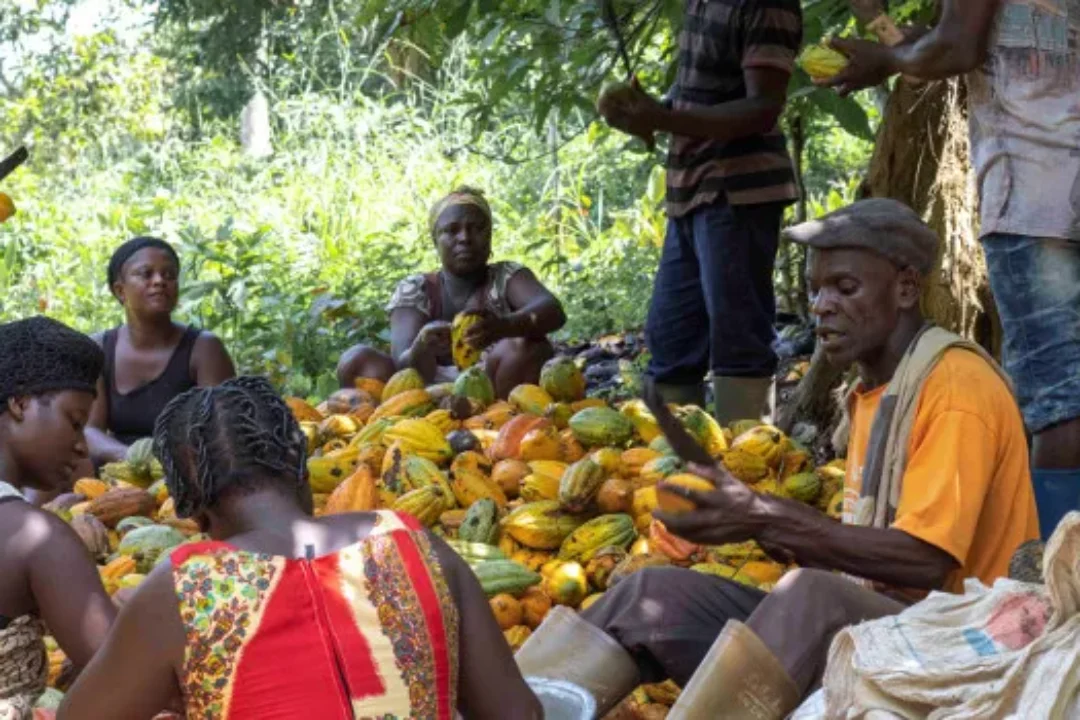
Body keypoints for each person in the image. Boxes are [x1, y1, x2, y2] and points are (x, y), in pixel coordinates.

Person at [516, 200, 1040, 718]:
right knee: (646, 594)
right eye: (814, 290)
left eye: (845, 288)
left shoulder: (954, 386)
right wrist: (761, 525)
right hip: (885, 627)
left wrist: (770, 516)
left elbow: (925, 560)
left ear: (905, 287)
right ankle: (514, 711)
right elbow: (865, 560)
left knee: (812, 594)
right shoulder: (876, 392)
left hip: (960, 641)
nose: (821, 306)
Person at [59, 376, 541, 720]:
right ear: (299, 458)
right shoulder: (414, 542)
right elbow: (517, 712)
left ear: (188, 507)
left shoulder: (185, 589)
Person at [820, 1, 1080, 540]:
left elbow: (955, 48)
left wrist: (884, 56)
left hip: (1036, 191)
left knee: (1062, 406)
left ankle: (1062, 597)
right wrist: (901, 38)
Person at [594, 0, 802, 424]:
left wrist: (662, 118)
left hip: (737, 193)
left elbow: (762, 108)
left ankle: (747, 466)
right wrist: (651, 113)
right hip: (690, 192)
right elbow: (704, 96)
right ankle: (681, 465)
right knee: (671, 340)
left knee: (738, 341)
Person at [336, 187, 566, 398]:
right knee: (357, 359)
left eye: (476, 228)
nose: (465, 238)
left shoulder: (507, 276)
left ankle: (502, 422)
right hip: (423, 395)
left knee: (526, 346)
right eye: (451, 230)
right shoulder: (416, 288)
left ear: (489, 236)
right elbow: (402, 368)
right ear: (436, 239)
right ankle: (384, 425)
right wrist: (422, 346)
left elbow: (552, 310)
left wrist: (503, 326)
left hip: (494, 389)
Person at [0, 317, 117, 718]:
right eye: (75, 422)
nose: (82, 447)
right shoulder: (37, 538)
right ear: (20, 403)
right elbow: (125, 674)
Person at [86, 236, 235, 466]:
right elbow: (89, 430)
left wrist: (170, 465)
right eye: (146, 274)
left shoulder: (205, 349)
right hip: (120, 474)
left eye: (169, 275)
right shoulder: (99, 349)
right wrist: (133, 459)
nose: (159, 281)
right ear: (120, 290)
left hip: (193, 472)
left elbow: (223, 431)